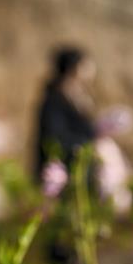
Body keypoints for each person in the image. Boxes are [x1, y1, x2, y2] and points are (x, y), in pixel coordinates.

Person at [34, 47, 98, 181]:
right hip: (62, 170)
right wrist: (83, 144)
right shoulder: (55, 99)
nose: (92, 68)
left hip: (80, 166)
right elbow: (54, 135)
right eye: (86, 63)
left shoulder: (77, 96)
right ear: (74, 68)